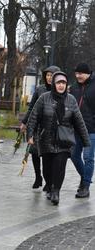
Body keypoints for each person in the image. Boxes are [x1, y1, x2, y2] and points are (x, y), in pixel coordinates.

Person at [27, 71, 90, 205]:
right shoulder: (44, 98)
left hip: (63, 140)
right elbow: (34, 117)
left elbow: (79, 121)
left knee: (59, 167)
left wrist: (86, 141)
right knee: (47, 170)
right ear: (54, 84)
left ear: (66, 84)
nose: (61, 86)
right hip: (46, 139)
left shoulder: (71, 100)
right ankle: (49, 186)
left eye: (63, 83)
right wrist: (30, 134)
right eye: (58, 83)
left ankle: (56, 191)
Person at [20, 66, 60, 190]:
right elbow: (32, 107)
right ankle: (38, 177)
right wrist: (25, 122)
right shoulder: (39, 89)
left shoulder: (59, 90)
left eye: (52, 75)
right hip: (38, 126)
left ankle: (49, 181)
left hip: (51, 128)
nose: (49, 77)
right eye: (47, 75)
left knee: (48, 155)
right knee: (34, 152)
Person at [70, 63, 95, 198]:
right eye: (76, 73)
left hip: (91, 129)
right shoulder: (74, 87)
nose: (78, 76)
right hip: (76, 128)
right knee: (73, 155)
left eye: (80, 73)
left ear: (88, 73)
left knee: (88, 158)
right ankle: (85, 177)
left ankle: (85, 187)